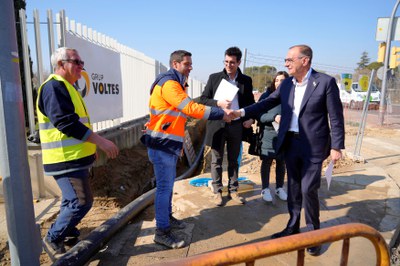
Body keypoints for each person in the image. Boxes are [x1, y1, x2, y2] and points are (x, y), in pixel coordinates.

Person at [231, 45, 344, 256]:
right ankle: (292, 226)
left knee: (308, 189)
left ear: (305, 61)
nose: (285, 64)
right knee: (293, 188)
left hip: (314, 146)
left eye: (290, 60)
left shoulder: (325, 83)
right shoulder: (286, 85)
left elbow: (336, 117)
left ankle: (313, 235)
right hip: (290, 143)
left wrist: (337, 146)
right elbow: (265, 104)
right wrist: (241, 112)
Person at [140, 50, 231, 249]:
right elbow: (190, 108)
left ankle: (167, 219)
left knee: (168, 187)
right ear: (175, 64)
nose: (191, 67)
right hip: (162, 145)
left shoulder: (175, 83)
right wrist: (220, 113)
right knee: (164, 189)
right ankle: (161, 232)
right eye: (187, 64)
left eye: (191, 64)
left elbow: (181, 111)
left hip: (167, 144)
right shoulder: (169, 84)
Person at [37, 47, 119, 261]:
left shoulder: (68, 87)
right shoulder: (54, 86)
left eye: (82, 62)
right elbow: (66, 123)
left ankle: (67, 231)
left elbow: (77, 124)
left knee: (71, 200)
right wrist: (100, 141)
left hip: (73, 157)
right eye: (76, 61)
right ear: (61, 64)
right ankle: (53, 238)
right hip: (65, 159)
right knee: (80, 202)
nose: (82, 66)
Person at [197, 47, 255, 206]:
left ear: (238, 63)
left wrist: (250, 119)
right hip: (217, 124)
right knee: (216, 159)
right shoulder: (214, 78)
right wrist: (218, 103)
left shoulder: (246, 81)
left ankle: (233, 190)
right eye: (226, 62)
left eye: (232, 62)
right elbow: (202, 100)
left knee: (234, 160)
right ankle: (217, 191)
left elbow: (251, 104)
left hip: (236, 125)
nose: (228, 65)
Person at [258, 71, 289, 202]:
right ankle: (265, 189)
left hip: (284, 135)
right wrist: (274, 117)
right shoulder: (266, 96)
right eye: (277, 80)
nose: (279, 83)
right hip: (268, 135)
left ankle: (279, 188)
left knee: (282, 162)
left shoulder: (291, 97)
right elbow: (258, 115)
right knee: (267, 162)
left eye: (282, 81)